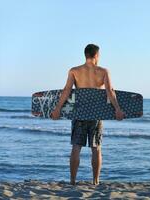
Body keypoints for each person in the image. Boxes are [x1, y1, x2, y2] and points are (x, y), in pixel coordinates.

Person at [50, 44, 125, 185]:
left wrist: (58, 109)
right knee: (96, 148)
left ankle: (72, 181)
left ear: (86, 55)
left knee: (76, 147)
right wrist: (118, 109)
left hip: (79, 113)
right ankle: (95, 181)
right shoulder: (103, 71)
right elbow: (110, 91)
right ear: (96, 55)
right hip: (96, 115)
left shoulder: (74, 71)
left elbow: (66, 90)